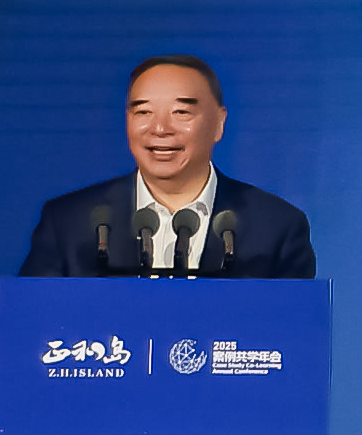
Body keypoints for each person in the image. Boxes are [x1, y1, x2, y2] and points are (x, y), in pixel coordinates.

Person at [19, 53, 318, 278]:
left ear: (219, 123)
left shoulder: (277, 228)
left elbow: (293, 334)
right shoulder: (68, 223)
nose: (160, 128)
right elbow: (31, 327)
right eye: (143, 112)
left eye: (180, 112)